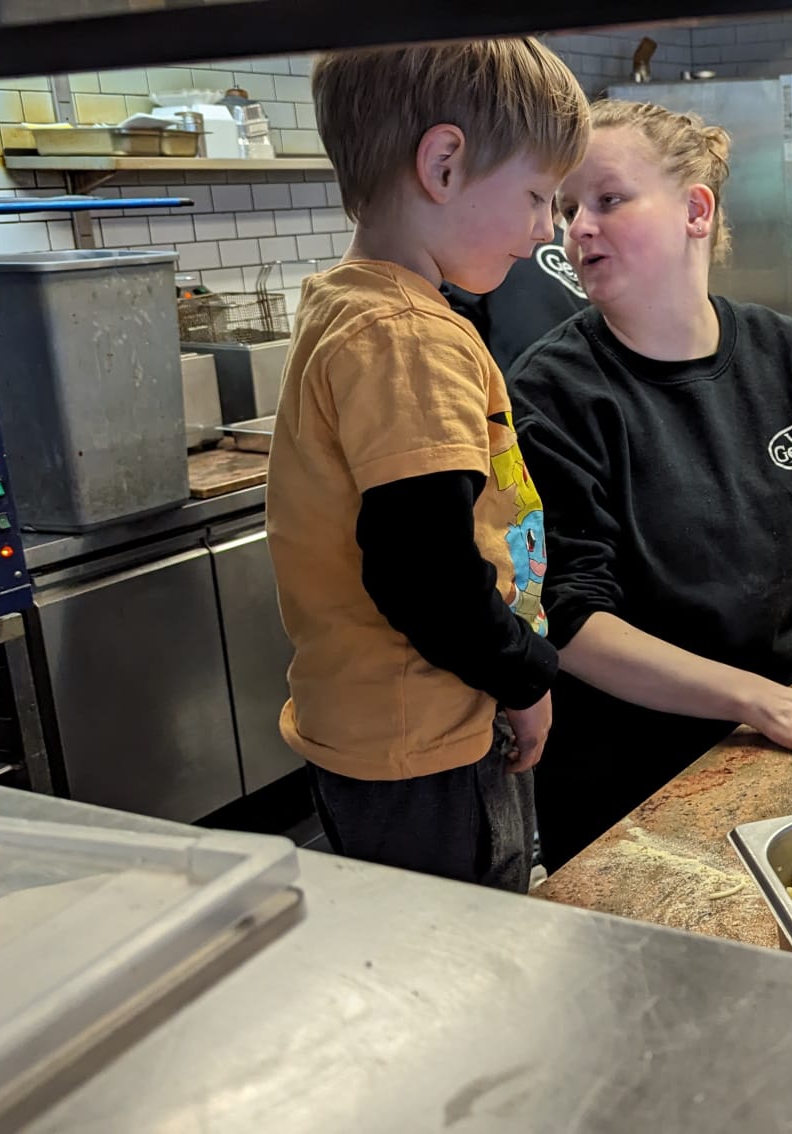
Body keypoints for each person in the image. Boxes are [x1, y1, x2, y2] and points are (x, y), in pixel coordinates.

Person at [510, 100, 792, 868]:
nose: (577, 228)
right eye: (567, 209)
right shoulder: (553, 395)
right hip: (635, 785)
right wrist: (757, 701)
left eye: (608, 199)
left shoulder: (790, 355)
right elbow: (569, 622)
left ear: (695, 211)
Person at [264, 40, 590, 890]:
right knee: (468, 937)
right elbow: (424, 573)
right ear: (443, 165)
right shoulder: (408, 336)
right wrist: (525, 677)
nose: (546, 231)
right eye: (536, 197)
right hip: (429, 737)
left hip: (384, 728)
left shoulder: (349, 306)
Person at [441, 222, 588, 373]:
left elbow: (450, 315)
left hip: (497, 380)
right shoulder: (588, 265)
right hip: (557, 382)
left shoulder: (498, 238)